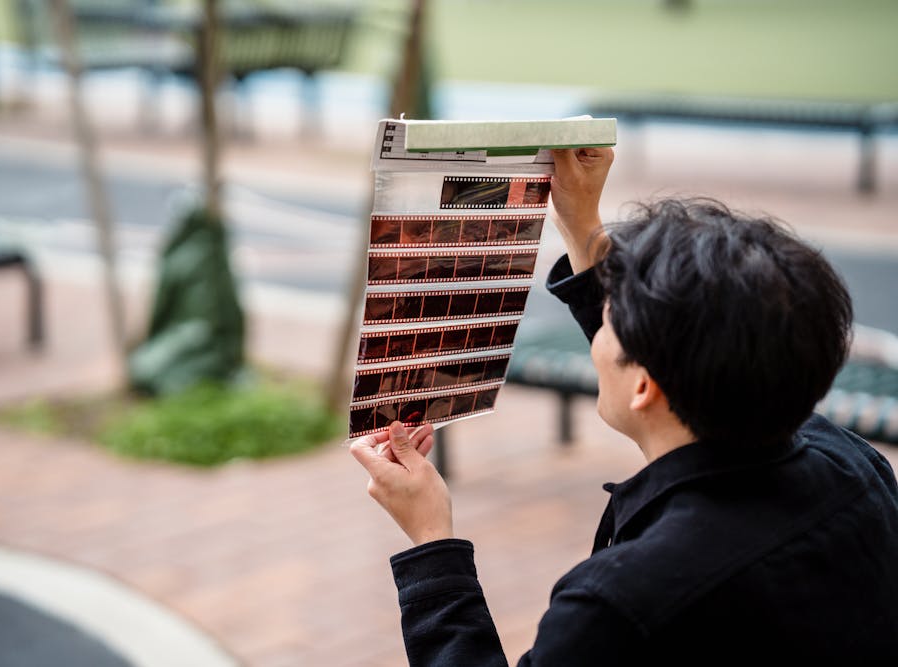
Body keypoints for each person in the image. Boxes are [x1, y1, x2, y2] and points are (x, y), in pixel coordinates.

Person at [349, 146, 898, 665]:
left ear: (644, 387)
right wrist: (582, 225)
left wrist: (431, 540)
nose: (596, 333)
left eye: (608, 320)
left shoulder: (617, 605)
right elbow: (670, 362)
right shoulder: (855, 468)